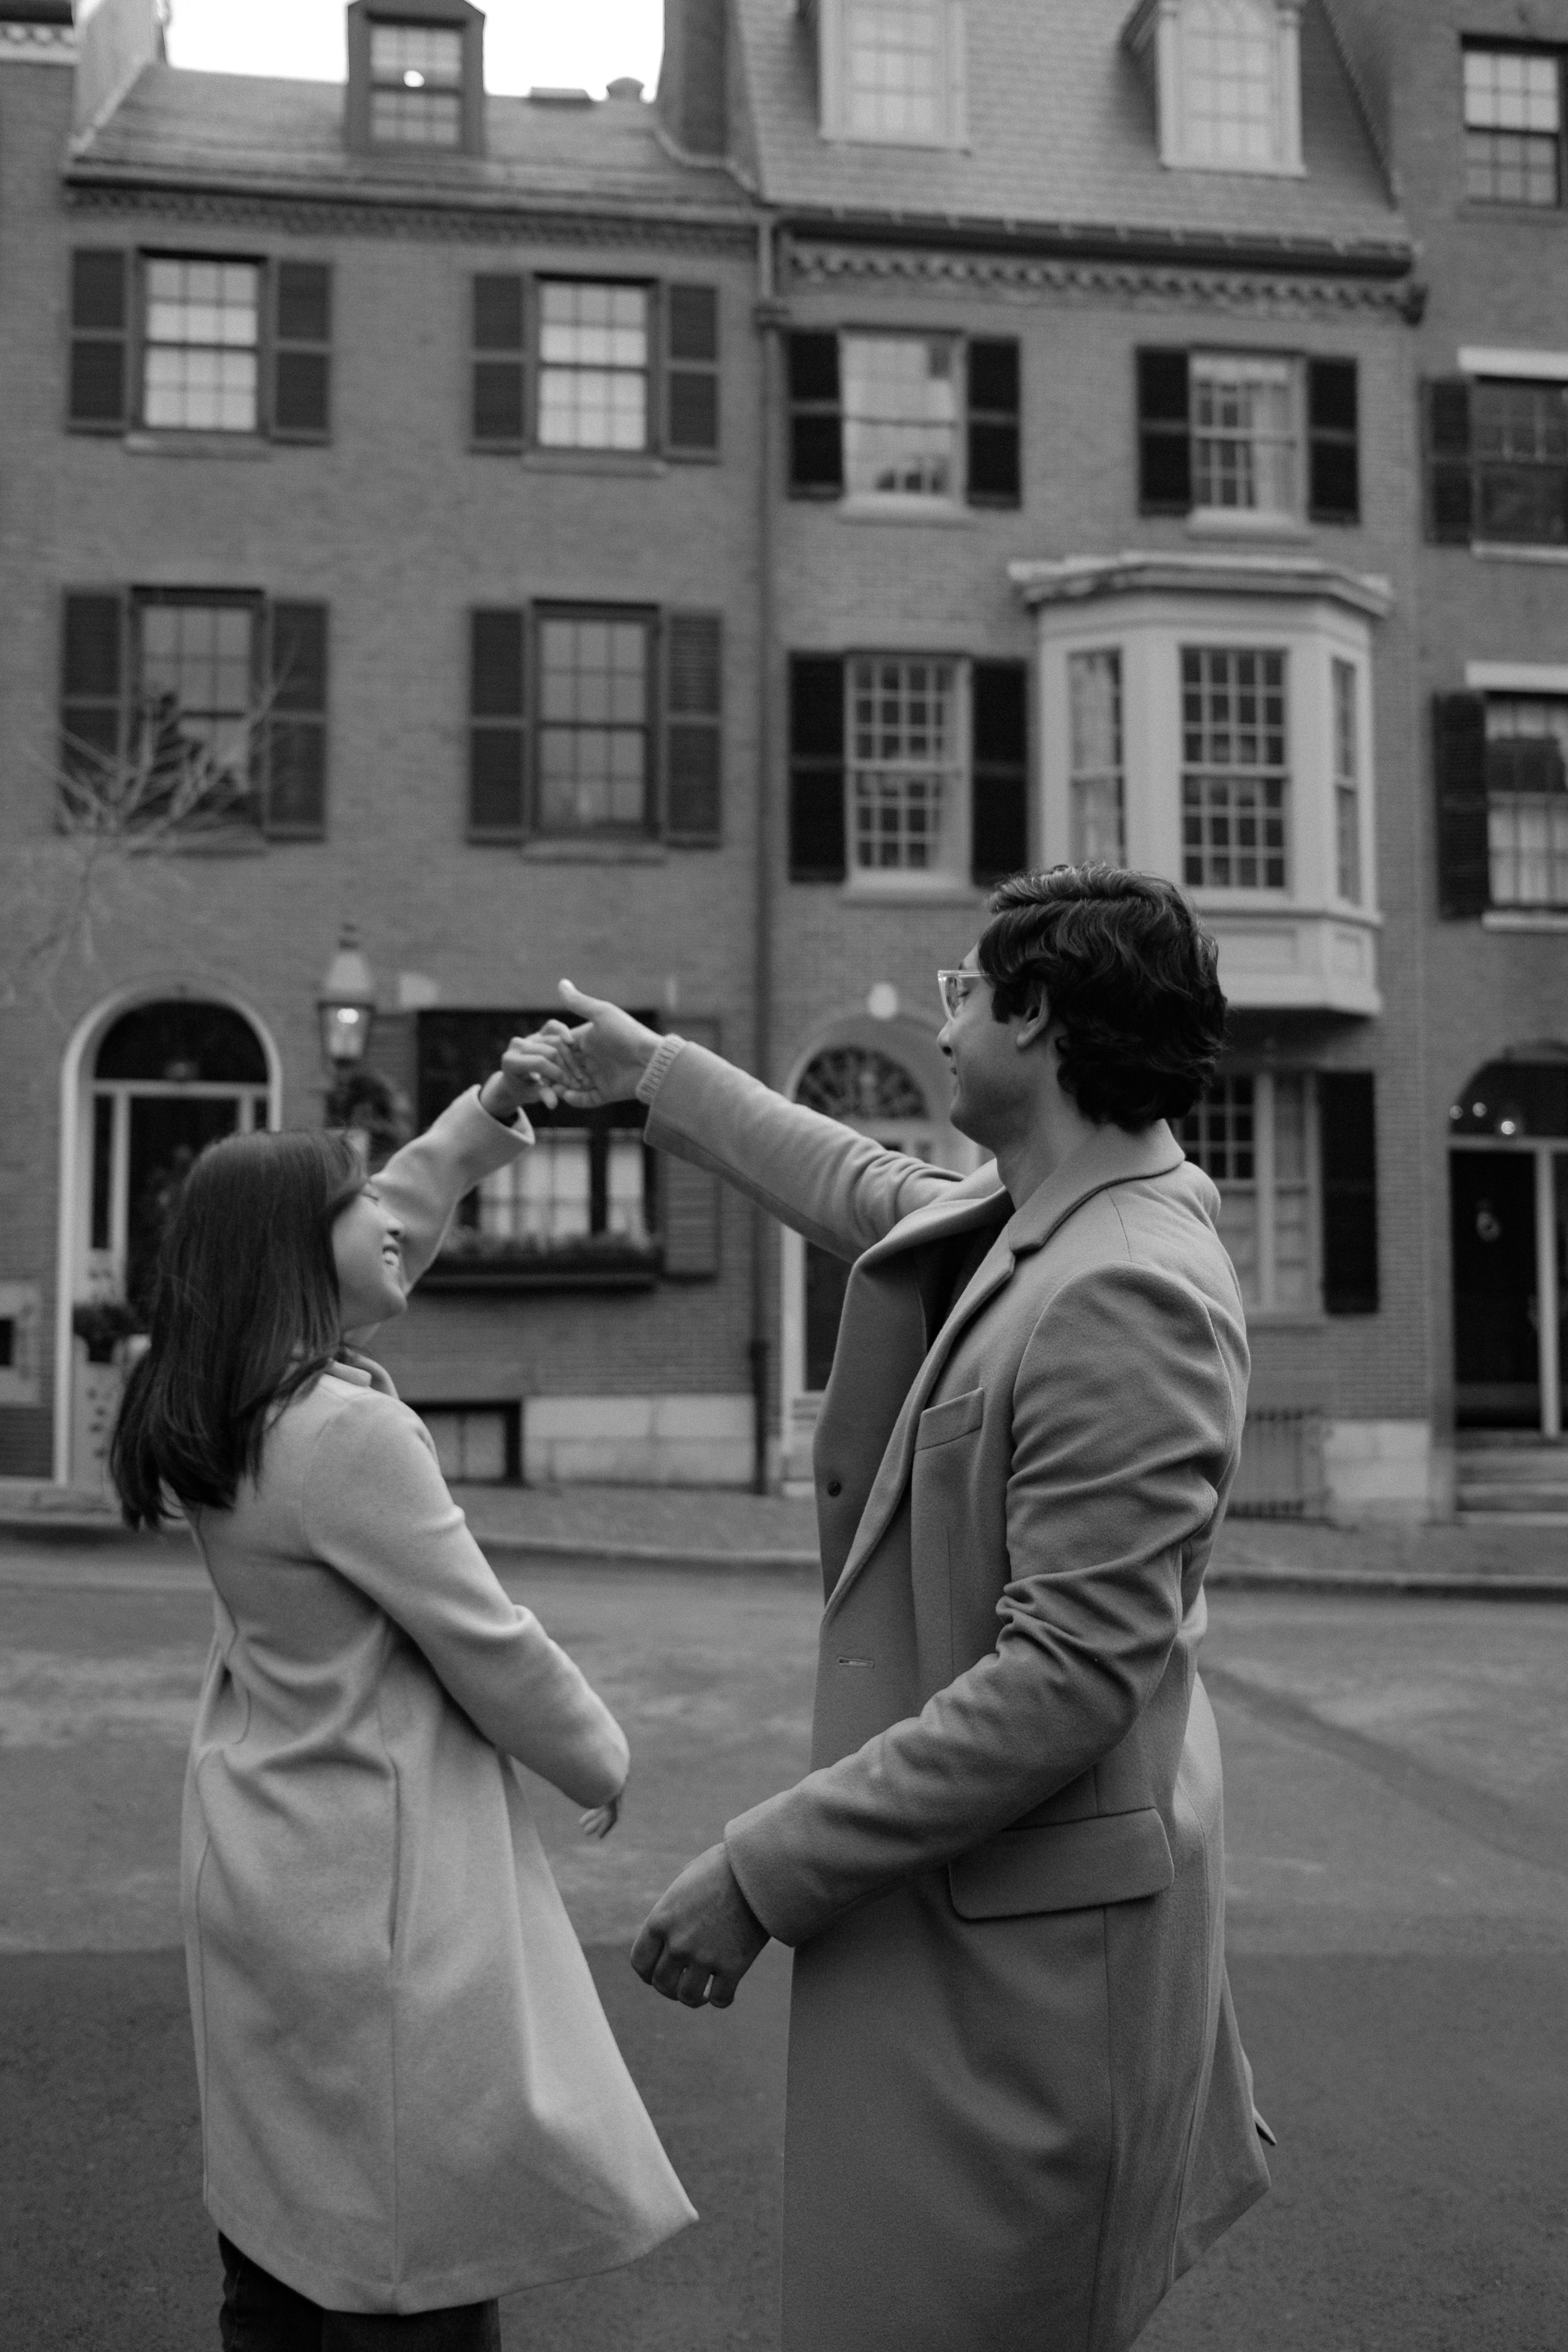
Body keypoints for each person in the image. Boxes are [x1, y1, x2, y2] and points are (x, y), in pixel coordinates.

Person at [514, 866, 1273, 2352]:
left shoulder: (1128, 1284)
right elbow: (864, 1187)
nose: (943, 1025)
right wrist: (651, 1074)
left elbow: (1063, 1680)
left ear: (1035, 1017)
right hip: (984, 1936)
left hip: (1037, 1992)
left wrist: (761, 1872)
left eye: (961, 993)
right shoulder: (1047, 1212)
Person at [110, 1064, 694, 2349]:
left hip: (263, 1855)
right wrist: (598, 1757)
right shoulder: (343, 1433)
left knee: (281, 2244)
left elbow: (380, 1225)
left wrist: (484, 1113)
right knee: (410, 2256)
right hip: (371, 1885)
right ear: (293, 1254)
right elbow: (484, 1637)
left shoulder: (221, 1399)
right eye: (357, 1199)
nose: (391, 1212)